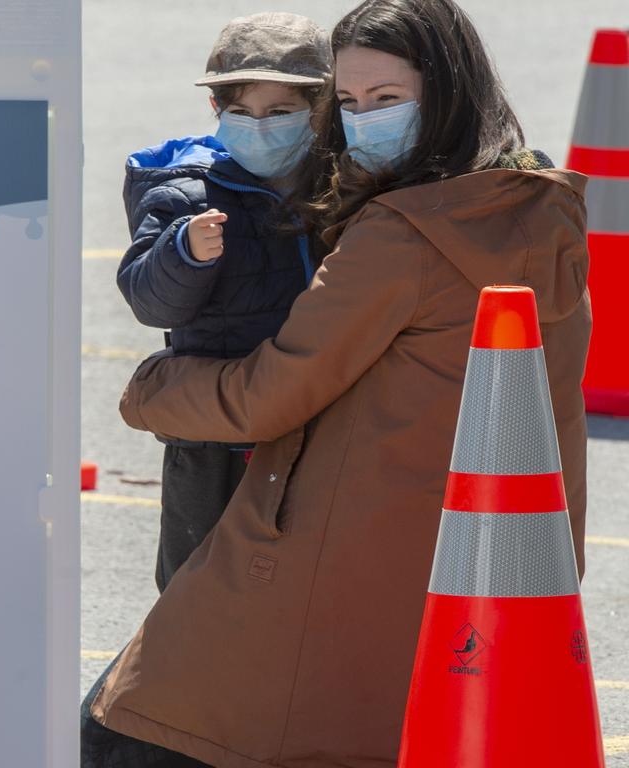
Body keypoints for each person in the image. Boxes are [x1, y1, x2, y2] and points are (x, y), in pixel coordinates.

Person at [85, 0, 591, 766]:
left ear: (449, 91)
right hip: (502, 570)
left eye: (386, 100)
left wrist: (151, 388)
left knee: (125, 724)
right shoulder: (539, 212)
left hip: (340, 562)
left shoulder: (401, 235)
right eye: (348, 103)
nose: (363, 122)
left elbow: (271, 393)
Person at [117, 12, 331, 593]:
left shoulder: (339, 187)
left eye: (280, 112)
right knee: (198, 588)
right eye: (241, 112)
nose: (259, 127)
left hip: (314, 429)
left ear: (319, 110)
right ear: (217, 112)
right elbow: (149, 300)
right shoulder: (185, 192)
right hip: (212, 439)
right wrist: (182, 253)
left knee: (298, 583)